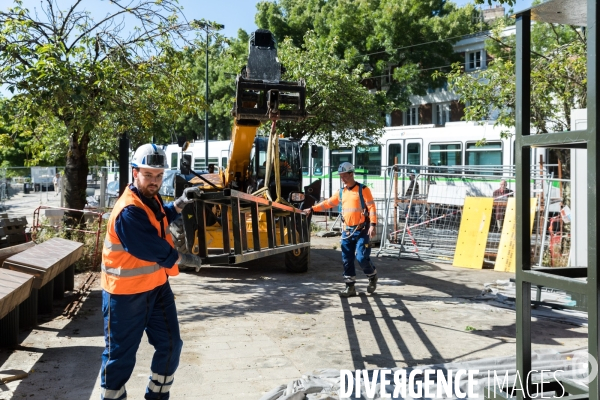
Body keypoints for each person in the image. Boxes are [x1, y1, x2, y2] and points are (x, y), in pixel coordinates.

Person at [99, 143, 203, 400]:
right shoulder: (128, 211)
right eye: (148, 175)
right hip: (125, 296)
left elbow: (159, 218)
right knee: (120, 356)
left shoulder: (150, 199)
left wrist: (179, 204)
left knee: (170, 346)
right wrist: (185, 258)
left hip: (156, 287)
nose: (154, 181)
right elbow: (152, 248)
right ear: (135, 173)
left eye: (158, 175)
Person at [305, 162, 378, 297]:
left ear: (351, 174)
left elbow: (371, 207)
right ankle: (350, 287)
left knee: (361, 257)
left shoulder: (363, 190)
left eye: (344, 176)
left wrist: (372, 225)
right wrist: (312, 209)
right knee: (347, 259)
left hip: (362, 230)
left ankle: (372, 275)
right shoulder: (341, 192)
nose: (342, 178)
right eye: (341, 176)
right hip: (347, 231)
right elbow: (328, 203)